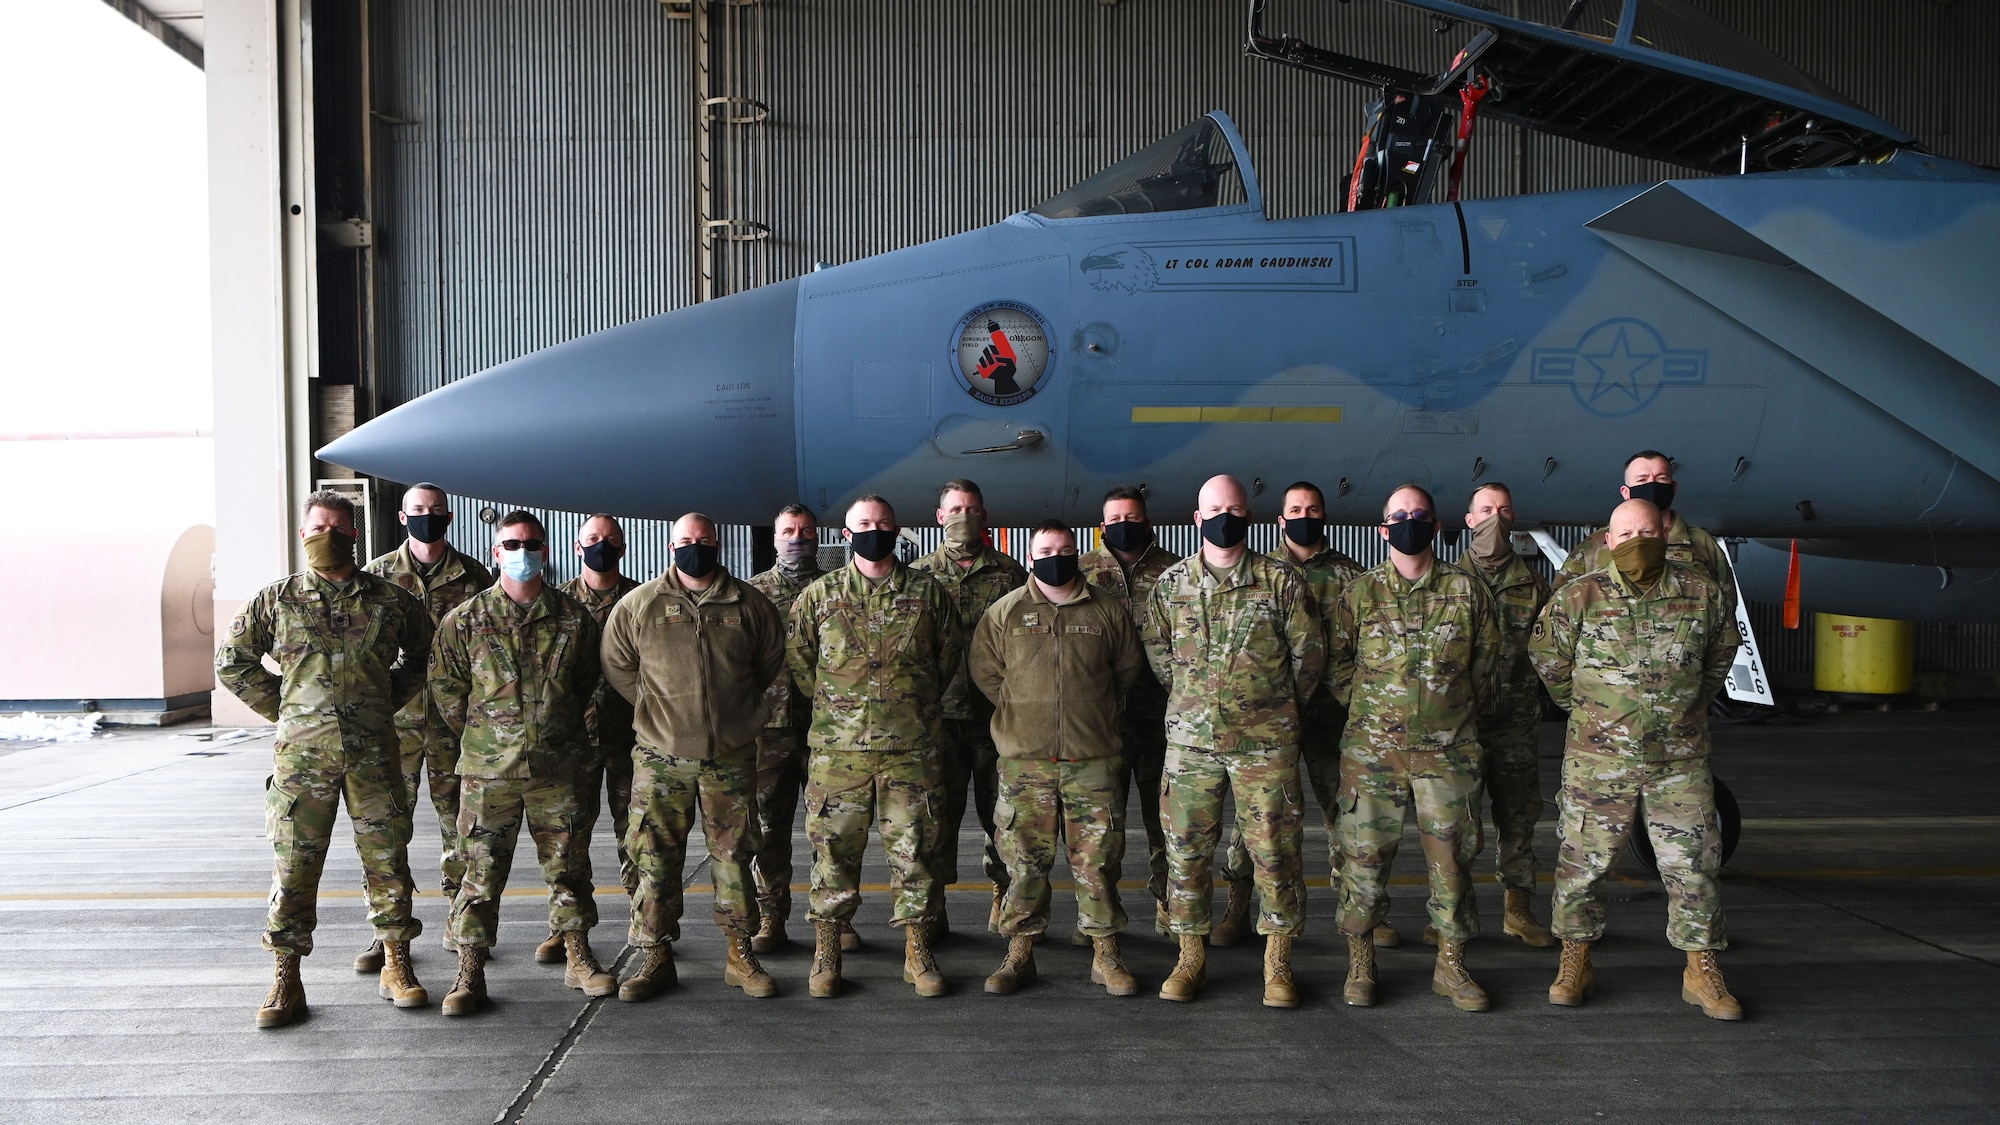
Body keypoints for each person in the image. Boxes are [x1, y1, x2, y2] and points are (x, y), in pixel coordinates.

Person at [216, 489, 433, 1028]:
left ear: (354, 534)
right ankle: (286, 979)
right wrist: (289, 712)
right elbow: (233, 663)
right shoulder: (276, 600)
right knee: (294, 866)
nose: (327, 536)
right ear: (302, 534)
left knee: (387, 861)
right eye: (318, 527)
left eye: (338, 527)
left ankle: (396, 963)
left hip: (375, 754)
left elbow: (424, 657)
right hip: (303, 760)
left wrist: (382, 703)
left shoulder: (391, 600)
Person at [1529, 498, 1745, 1020]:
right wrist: (1593, 712)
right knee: (1583, 865)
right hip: (1598, 761)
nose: (1637, 541)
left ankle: (1702, 970)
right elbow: (1549, 661)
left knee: (1693, 865)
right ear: (1608, 539)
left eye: (1647, 531)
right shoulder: (1578, 597)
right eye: (1626, 533)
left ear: (1665, 535)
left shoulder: (1702, 595)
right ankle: (1575, 959)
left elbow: (1720, 657)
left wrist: (1682, 708)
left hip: (1679, 760)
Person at [1142, 475, 1323, 1007]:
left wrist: (1273, 712)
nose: (1225, 517)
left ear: (1249, 516)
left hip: (1265, 747)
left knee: (1275, 853)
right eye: (1214, 509)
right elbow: (1159, 654)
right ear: (1198, 519)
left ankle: (1278, 962)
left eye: (1234, 508)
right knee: (1187, 852)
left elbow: (1307, 659)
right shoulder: (1171, 584)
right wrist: (1195, 703)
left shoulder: (1281, 582)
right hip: (1191, 746)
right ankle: (1190, 956)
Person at [599, 513, 788, 1001]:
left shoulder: (749, 603)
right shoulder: (640, 604)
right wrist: (656, 711)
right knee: (655, 857)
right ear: (670, 546)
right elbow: (618, 665)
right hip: (661, 757)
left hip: (730, 754)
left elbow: (768, 661)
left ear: (718, 544)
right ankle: (655, 955)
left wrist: (733, 712)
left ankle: (739, 954)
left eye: (703, 541)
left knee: (735, 856)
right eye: (685, 541)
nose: (694, 548)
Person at [1327, 483, 1500, 1012]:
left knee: (1452, 862)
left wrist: (1449, 716)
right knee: (1363, 859)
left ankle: (1451, 965)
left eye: (1418, 515)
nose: (1408, 523)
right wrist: (1375, 715)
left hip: (1448, 755)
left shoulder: (1468, 592)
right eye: (1398, 516)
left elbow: (1487, 668)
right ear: (1383, 530)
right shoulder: (1358, 594)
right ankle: (1361, 961)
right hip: (1372, 756)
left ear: (1436, 525)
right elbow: (1335, 665)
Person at [428, 511, 610, 1015]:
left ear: (547, 549)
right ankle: (470, 972)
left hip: (559, 768)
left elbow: (588, 682)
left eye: (531, 543)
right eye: (511, 543)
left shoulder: (575, 618)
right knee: (480, 875)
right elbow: (447, 691)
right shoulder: (464, 620)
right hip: (490, 773)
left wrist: (554, 728)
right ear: (495, 552)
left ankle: (577, 956)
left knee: (569, 869)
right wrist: (491, 735)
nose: (522, 551)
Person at [787, 495, 964, 998]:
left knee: (916, 856)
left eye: (883, 524)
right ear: (846, 535)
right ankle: (828, 951)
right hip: (839, 756)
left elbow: (946, 657)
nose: (874, 531)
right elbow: (802, 665)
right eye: (864, 525)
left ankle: (917, 950)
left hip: (911, 752)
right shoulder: (820, 595)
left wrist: (906, 708)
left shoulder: (929, 594)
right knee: (833, 856)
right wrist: (843, 712)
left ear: (898, 531)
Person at [969, 521, 1146, 997]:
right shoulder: (1004, 613)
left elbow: (1126, 671)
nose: (1056, 557)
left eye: (1064, 550)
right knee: (1024, 861)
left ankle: (1105, 954)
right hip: (1026, 762)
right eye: (1046, 550)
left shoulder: (1107, 612)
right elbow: (987, 674)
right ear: (1031, 557)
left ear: (1078, 554)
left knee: (1098, 861)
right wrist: (1026, 713)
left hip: (1093, 760)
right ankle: (1020, 953)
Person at [1213, 481, 1391, 948]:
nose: (1304, 515)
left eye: (1312, 509)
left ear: (1324, 516)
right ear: (1280, 518)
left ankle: (1360, 909)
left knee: (1345, 815)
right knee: (1254, 819)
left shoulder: (1351, 575)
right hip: (1270, 721)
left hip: (1334, 715)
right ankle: (1237, 903)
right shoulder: (1261, 571)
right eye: (1295, 509)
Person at [361, 482, 493, 967]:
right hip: (395, 724)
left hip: (455, 727)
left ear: (449, 518)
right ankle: (387, 931)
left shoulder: (475, 577)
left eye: (436, 511)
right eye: (418, 510)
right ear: (402, 518)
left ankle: (461, 925)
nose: (427, 517)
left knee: (460, 829)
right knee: (384, 831)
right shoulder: (376, 577)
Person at [911, 479, 1026, 938]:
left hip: (996, 716)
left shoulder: (1011, 574)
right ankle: (933, 905)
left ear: (985, 515)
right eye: (955, 508)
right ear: (939, 516)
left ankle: (1004, 893)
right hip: (938, 719)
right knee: (936, 818)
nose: (964, 516)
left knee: (1002, 815)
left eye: (972, 508)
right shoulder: (918, 576)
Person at [537, 513, 642, 967]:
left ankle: (645, 924)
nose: (602, 546)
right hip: (572, 740)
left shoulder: (643, 600)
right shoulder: (556, 604)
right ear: (578, 547)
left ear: (623, 546)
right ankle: (565, 928)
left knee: (638, 837)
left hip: (632, 738)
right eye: (593, 539)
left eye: (610, 540)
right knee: (567, 840)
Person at [1077, 486, 1178, 938]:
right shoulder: (1081, 571)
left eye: (1132, 517)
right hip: (1102, 718)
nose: (1124, 525)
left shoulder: (1175, 571)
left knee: (1166, 821)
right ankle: (1101, 913)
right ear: (1102, 526)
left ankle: (1168, 902)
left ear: (1147, 522)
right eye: (1115, 518)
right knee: (1102, 823)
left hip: (1161, 715)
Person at [1460, 482, 1556, 947]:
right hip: (1460, 726)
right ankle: (1453, 916)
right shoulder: (1447, 580)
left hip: (1514, 725)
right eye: (1486, 510)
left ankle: (1518, 910)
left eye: (1503, 509)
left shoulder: (1534, 585)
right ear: (1469, 519)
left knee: (1518, 821)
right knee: (1456, 824)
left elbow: (1553, 652)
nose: (1494, 517)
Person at [744, 503, 831, 953]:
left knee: (832, 831)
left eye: (806, 530)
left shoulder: (837, 589)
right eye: (788, 531)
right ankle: (770, 916)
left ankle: (832, 920)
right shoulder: (752, 594)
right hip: (771, 731)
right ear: (774, 538)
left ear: (818, 537)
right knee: (769, 830)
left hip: (828, 729)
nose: (798, 537)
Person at [1554, 451, 1737, 608]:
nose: (1653, 486)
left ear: (1673, 488)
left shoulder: (1702, 543)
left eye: (1661, 478)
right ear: (1626, 492)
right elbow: (1560, 603)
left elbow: (1725, 606)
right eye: (1642, 480)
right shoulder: (1595, 544)